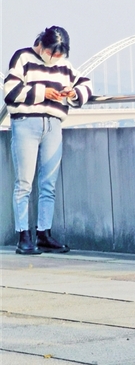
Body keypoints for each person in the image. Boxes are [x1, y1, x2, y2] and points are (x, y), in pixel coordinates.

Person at [4, 26, 93, 255]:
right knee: (24, 183)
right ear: (42, 44)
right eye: (51, 52)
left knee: (48, 184)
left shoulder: (64, 65)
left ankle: (44, 234)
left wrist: (73, 94)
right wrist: (43, 92)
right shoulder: (23, 57)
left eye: (59, 54)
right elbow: (10, 91)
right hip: (26, 123)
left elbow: (86, 83)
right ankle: (23, 236)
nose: (54, 58)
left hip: (54, 125)